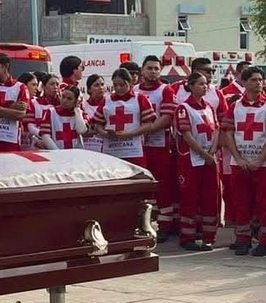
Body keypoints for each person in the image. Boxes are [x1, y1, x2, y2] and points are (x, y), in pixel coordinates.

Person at [222, 66, 266, 256]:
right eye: (253, 80)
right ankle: (243, 239)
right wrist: (239, 158)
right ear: (244, 82)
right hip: (239, 163)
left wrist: (259, 159)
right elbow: (229, 133)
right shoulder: (234, 106)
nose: (258, 83)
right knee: (241, 202)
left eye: (260, 80)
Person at [133, 55, 179, 239]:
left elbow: (167, 118)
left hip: (161, 145)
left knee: (163, 186)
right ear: (142, 70)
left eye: (156, 69)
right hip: (138, 147)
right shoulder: (134, 90)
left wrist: (146, 129)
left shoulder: (165, 90)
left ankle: (165, 225)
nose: (153, 72)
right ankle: (142, 223)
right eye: (149, 68)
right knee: (142, 188)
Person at [174, 71, 220, 251]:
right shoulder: (183, 108)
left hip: (209, 160)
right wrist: (203, 153)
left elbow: (216, 129)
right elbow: (186, 135)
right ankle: (188, 237)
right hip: (191, 161)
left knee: (211, 197)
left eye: (206, 83)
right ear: (191, 86)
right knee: (189, 198)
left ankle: (209, 237)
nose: (205, 86)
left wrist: (213, 151)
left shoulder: (209, 106)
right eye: (201, 83)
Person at [92, 68, 154, 167]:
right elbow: (97, 124)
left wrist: (129, 134)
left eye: (122, 85)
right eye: (115, 85)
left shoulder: (140, 99)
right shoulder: (106, 100)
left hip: (133, 151)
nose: (118, 88)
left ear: (129, 83)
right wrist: (105, 133)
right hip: (111, 151)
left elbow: (149, 125)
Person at [80, 74, 108, 155]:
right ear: (89, 89)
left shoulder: (109, 104)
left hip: (106, 148)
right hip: (87, 149)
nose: (101, 87)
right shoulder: (83, 105)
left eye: (102, 84)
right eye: (96, 85)